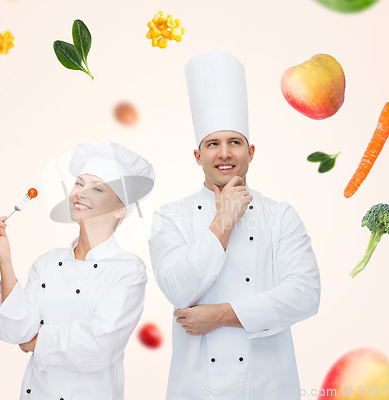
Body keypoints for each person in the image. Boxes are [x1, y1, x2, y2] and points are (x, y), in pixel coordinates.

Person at [148, 51, 321, 400]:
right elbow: (178, 290)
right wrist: (224, 219)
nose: (224, 153)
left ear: (250, 151)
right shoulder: (170, 217)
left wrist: (222, 315)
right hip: (196, 388)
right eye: (213, 144)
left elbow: (305, 295)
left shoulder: (281, 215)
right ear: (198, 156)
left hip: (267, 385)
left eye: (234, 143)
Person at [0, 140, 154, 400]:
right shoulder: (48, 262)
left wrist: (36, 342)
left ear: (121, 209)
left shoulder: (128, 270)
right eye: (79, 183)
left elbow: (99, 345)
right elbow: (15, 331)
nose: (80, 193)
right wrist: (5, 259)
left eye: (97, 189)